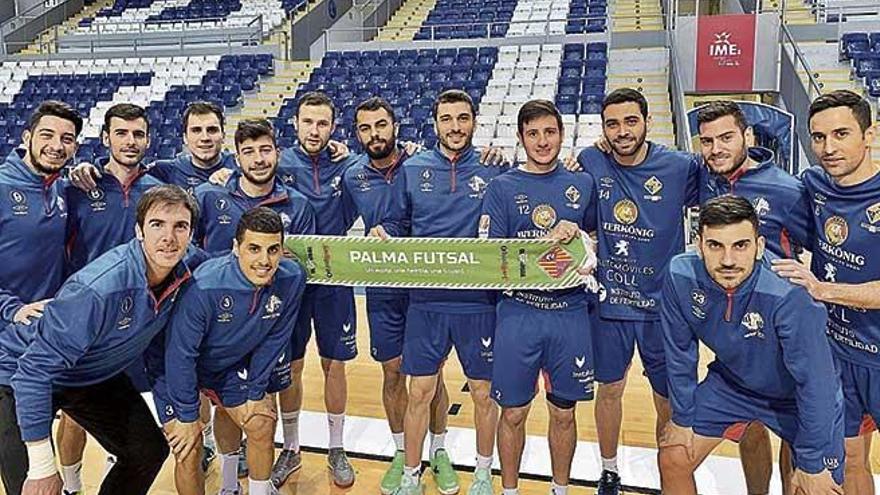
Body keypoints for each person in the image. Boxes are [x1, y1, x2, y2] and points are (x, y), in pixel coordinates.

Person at [0, 184, 198, 495]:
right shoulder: (99, 289)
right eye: (157, 224)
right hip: (18, 374)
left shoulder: (184, 271)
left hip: (86, 373)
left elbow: (230, 261)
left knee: (146, 451)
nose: (169, 237)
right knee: (36, 487)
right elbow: (33, 372)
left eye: (180, 227)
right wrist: (42, 467)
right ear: (139, 231)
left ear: (190, 234)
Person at [658, 195, 844, 495]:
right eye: (715, 245)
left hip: (797, 398)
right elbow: (679, 353)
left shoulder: (790, 294)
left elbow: (816, 384)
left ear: (759, 246)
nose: (728, 260)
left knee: (813, 488)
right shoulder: (680, 274)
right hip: (732, 385)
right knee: (673, 455)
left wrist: (811, 463)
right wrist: (682, 418)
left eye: (740, 245)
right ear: (698, 243)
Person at [575, 88, 701, 495]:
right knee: (608, 389)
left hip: (664, 308)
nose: (622, 131)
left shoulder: (680, 166)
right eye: (612, 123)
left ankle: (671, 472)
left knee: (666, 398)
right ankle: (609, 470)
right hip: (609, 304)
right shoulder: (591, 159)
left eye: (631, 121)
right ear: (603, 128)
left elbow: (726, 184)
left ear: (647, 121)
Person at [391, 89, 507, 495]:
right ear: (435, 123)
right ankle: (410, 475)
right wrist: (381, 233)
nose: (455, 127)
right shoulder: (413, 169)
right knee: (419, 392)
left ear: (474, 120)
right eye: (447, 119)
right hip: (426, 302)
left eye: (462, 118)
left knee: (483, 393)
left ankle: (481, 473)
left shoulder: (496, 169)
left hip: (479, 302)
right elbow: (396, 225)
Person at [480, 99, 597, 495]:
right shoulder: (502, 187)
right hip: (519, 313)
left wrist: (580, 237)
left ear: (562, 135)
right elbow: (493, 257)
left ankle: (559, 489)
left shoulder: (582, 183)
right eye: (533, 133)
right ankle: (509, 491)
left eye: (549, 132)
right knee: (513, 412)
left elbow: (595, 240)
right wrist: (544, 247)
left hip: (570, 313)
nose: (542, 141)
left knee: (563, 413)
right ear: (520, 138)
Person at [695, 99, 808, 494]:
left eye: (726, 137)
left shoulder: (788, 189)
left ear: (747, 136)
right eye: (707, 141)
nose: (716, 149)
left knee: (795, 427)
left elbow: (820, 248)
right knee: (750, 423)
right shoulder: (705, 179)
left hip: (784, 330)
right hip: (731, 326)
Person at [342, 96, 455, 495]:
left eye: (381, 125)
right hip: (383, 291)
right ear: (356, 134)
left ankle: (438, 451)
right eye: (365, 128)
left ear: (396, 125)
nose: (375, 134)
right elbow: (330, 220)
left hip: (425, 287)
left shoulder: (425, 163)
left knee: (430, 376)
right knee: (392, 373)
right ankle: (399, 450)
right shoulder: (352, 176)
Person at [772, 89, 880, 495]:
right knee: (850, 457)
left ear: (869, 134)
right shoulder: (814, 184)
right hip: (835, 352)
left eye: (841, 134)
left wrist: (820, 289)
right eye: (818, 137)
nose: (828, 148)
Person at [155, 207, 306, 495]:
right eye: (254, 249)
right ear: (236, 248)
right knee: (189, 449)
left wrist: (254, 391)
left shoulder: (292, 278)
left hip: (229, 364)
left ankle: (233, 488)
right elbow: (180, 354)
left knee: (260, 421)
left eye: (273, 250)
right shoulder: (205, 286)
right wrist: (188, 417)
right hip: (178, 367)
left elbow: (276, 337)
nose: (264, 260)